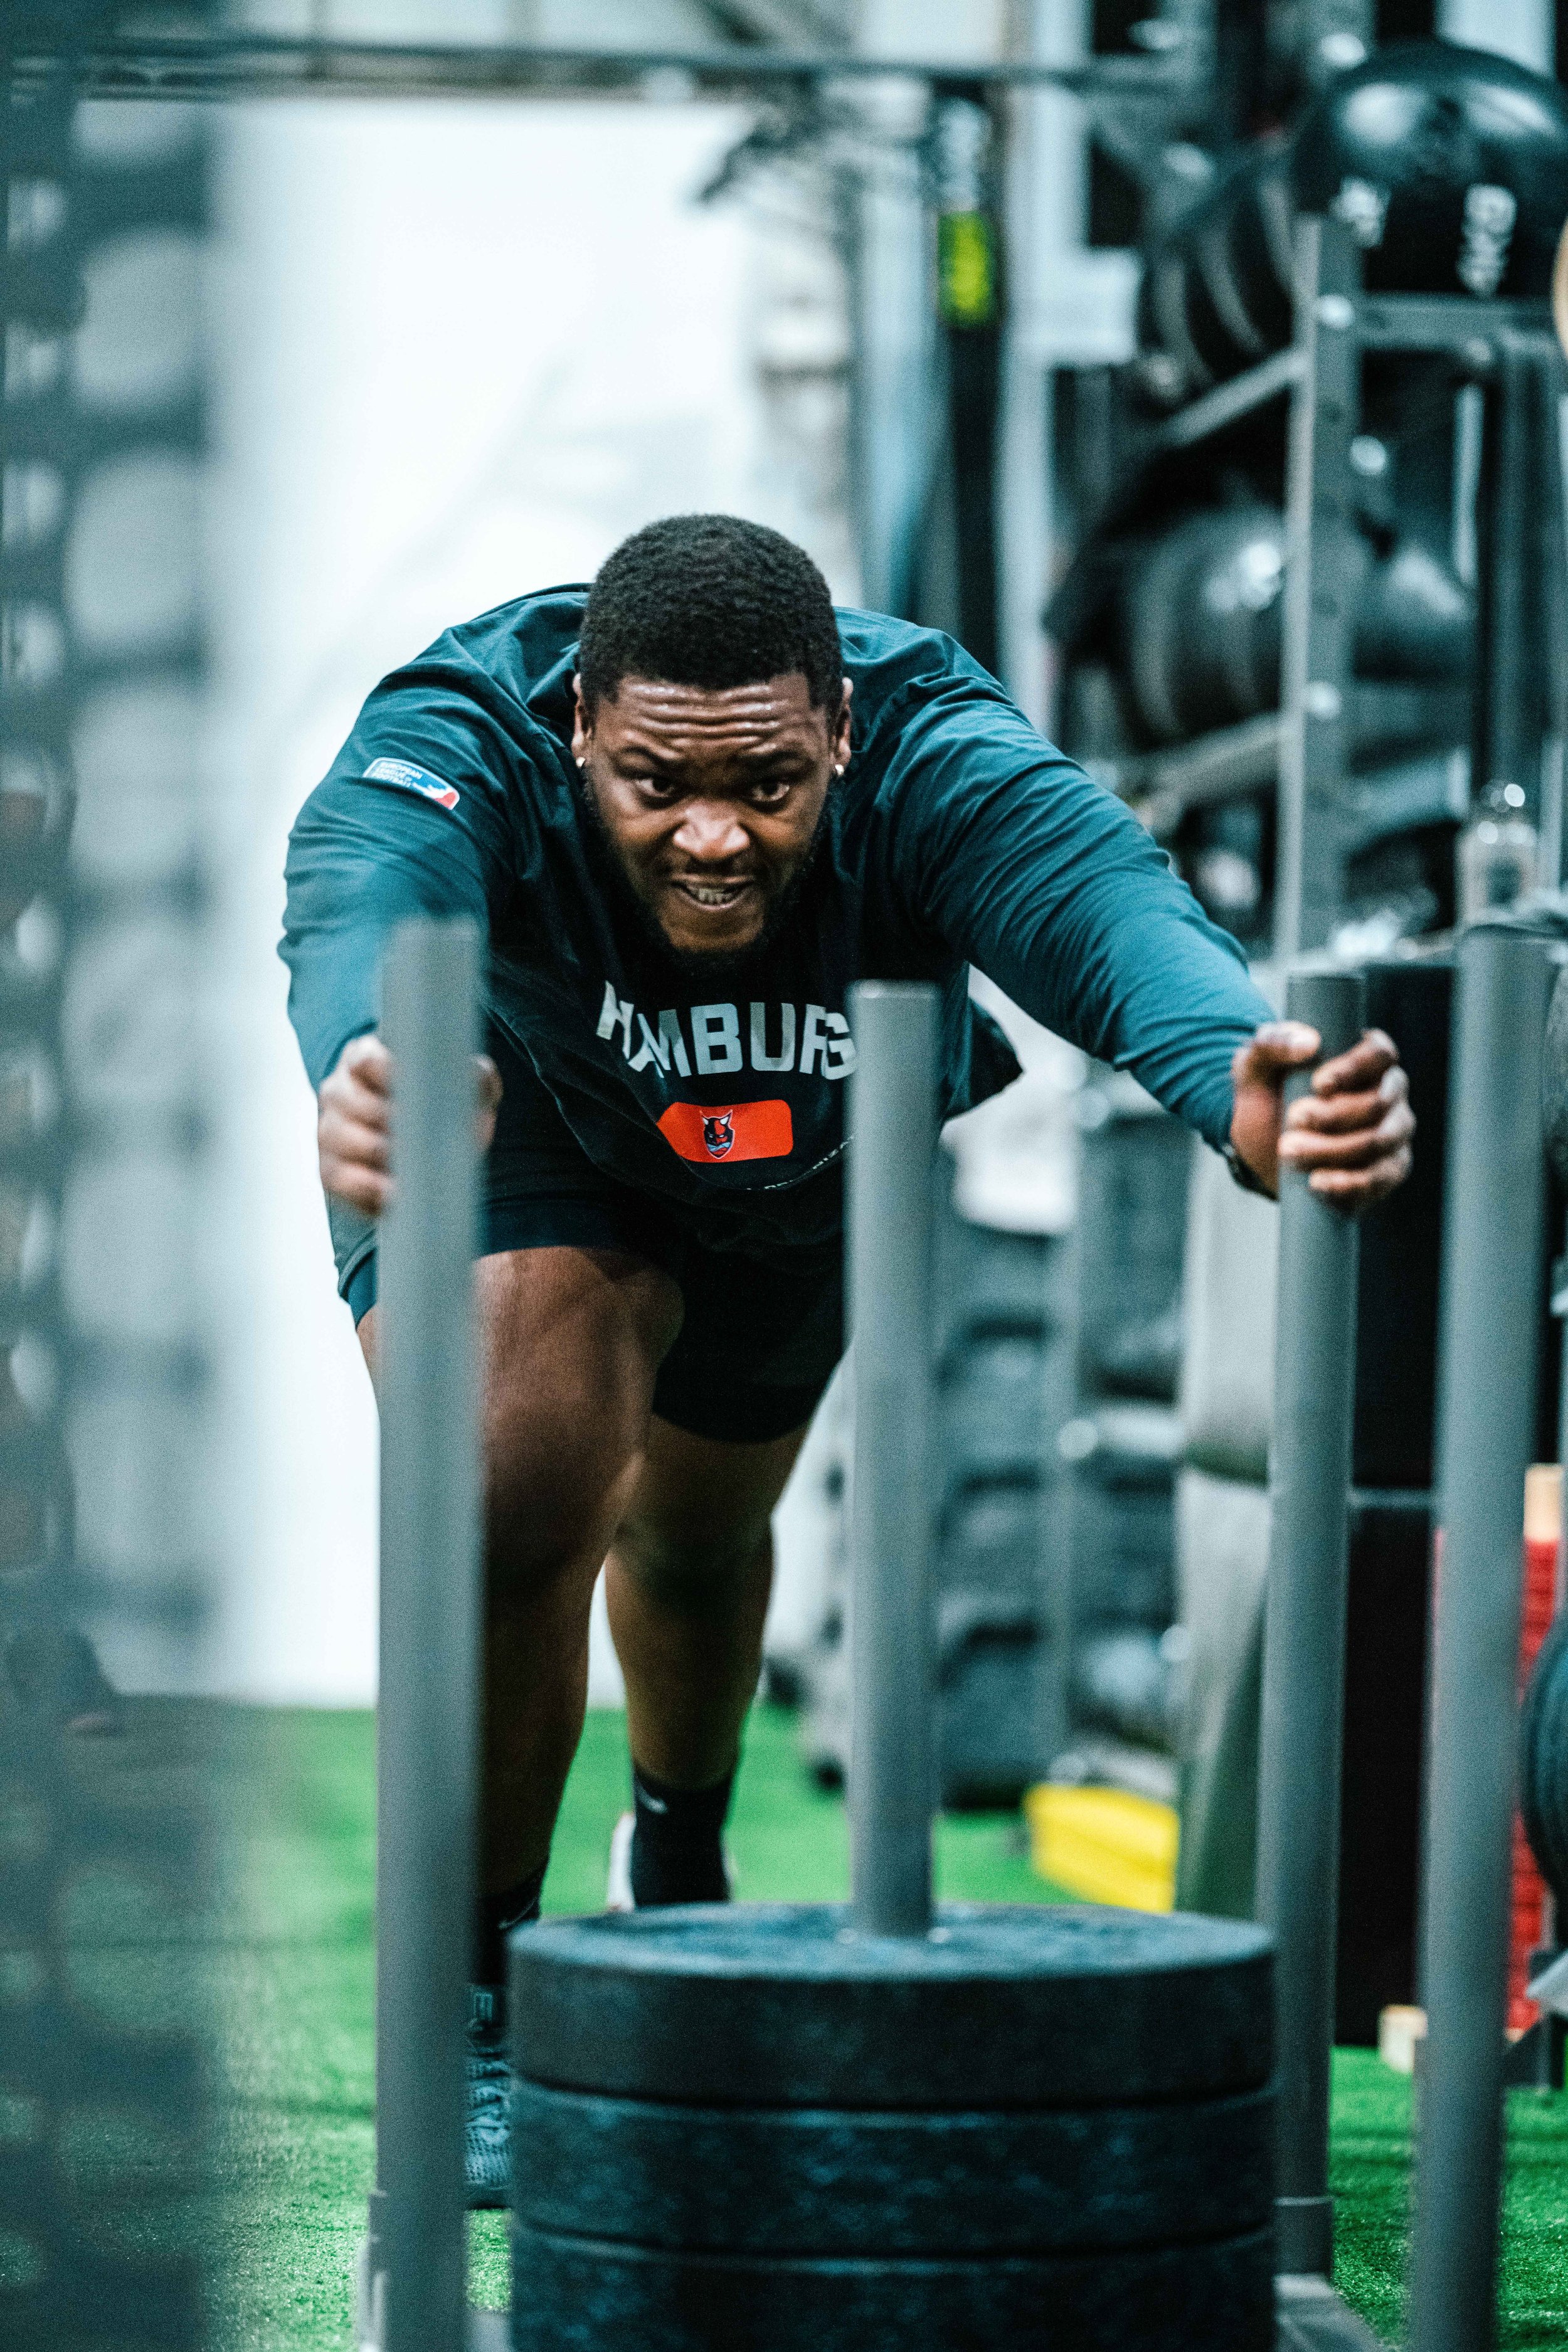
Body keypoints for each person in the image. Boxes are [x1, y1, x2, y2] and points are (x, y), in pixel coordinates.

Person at [281, 514, 1414, 2203]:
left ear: (839, 735)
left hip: (798, 1159)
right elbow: (360, 889)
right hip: (513, 1124)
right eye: (655, 784)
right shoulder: (458, 731)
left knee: (698, 1532)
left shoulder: (932, 746)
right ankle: (476, 1989)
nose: (715, 836)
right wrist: (381, 1052)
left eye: (769, 785)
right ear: (578, 729)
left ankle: (676, 1856)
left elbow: (1099, 901)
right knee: (512, 1485)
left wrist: (1223, 1072)